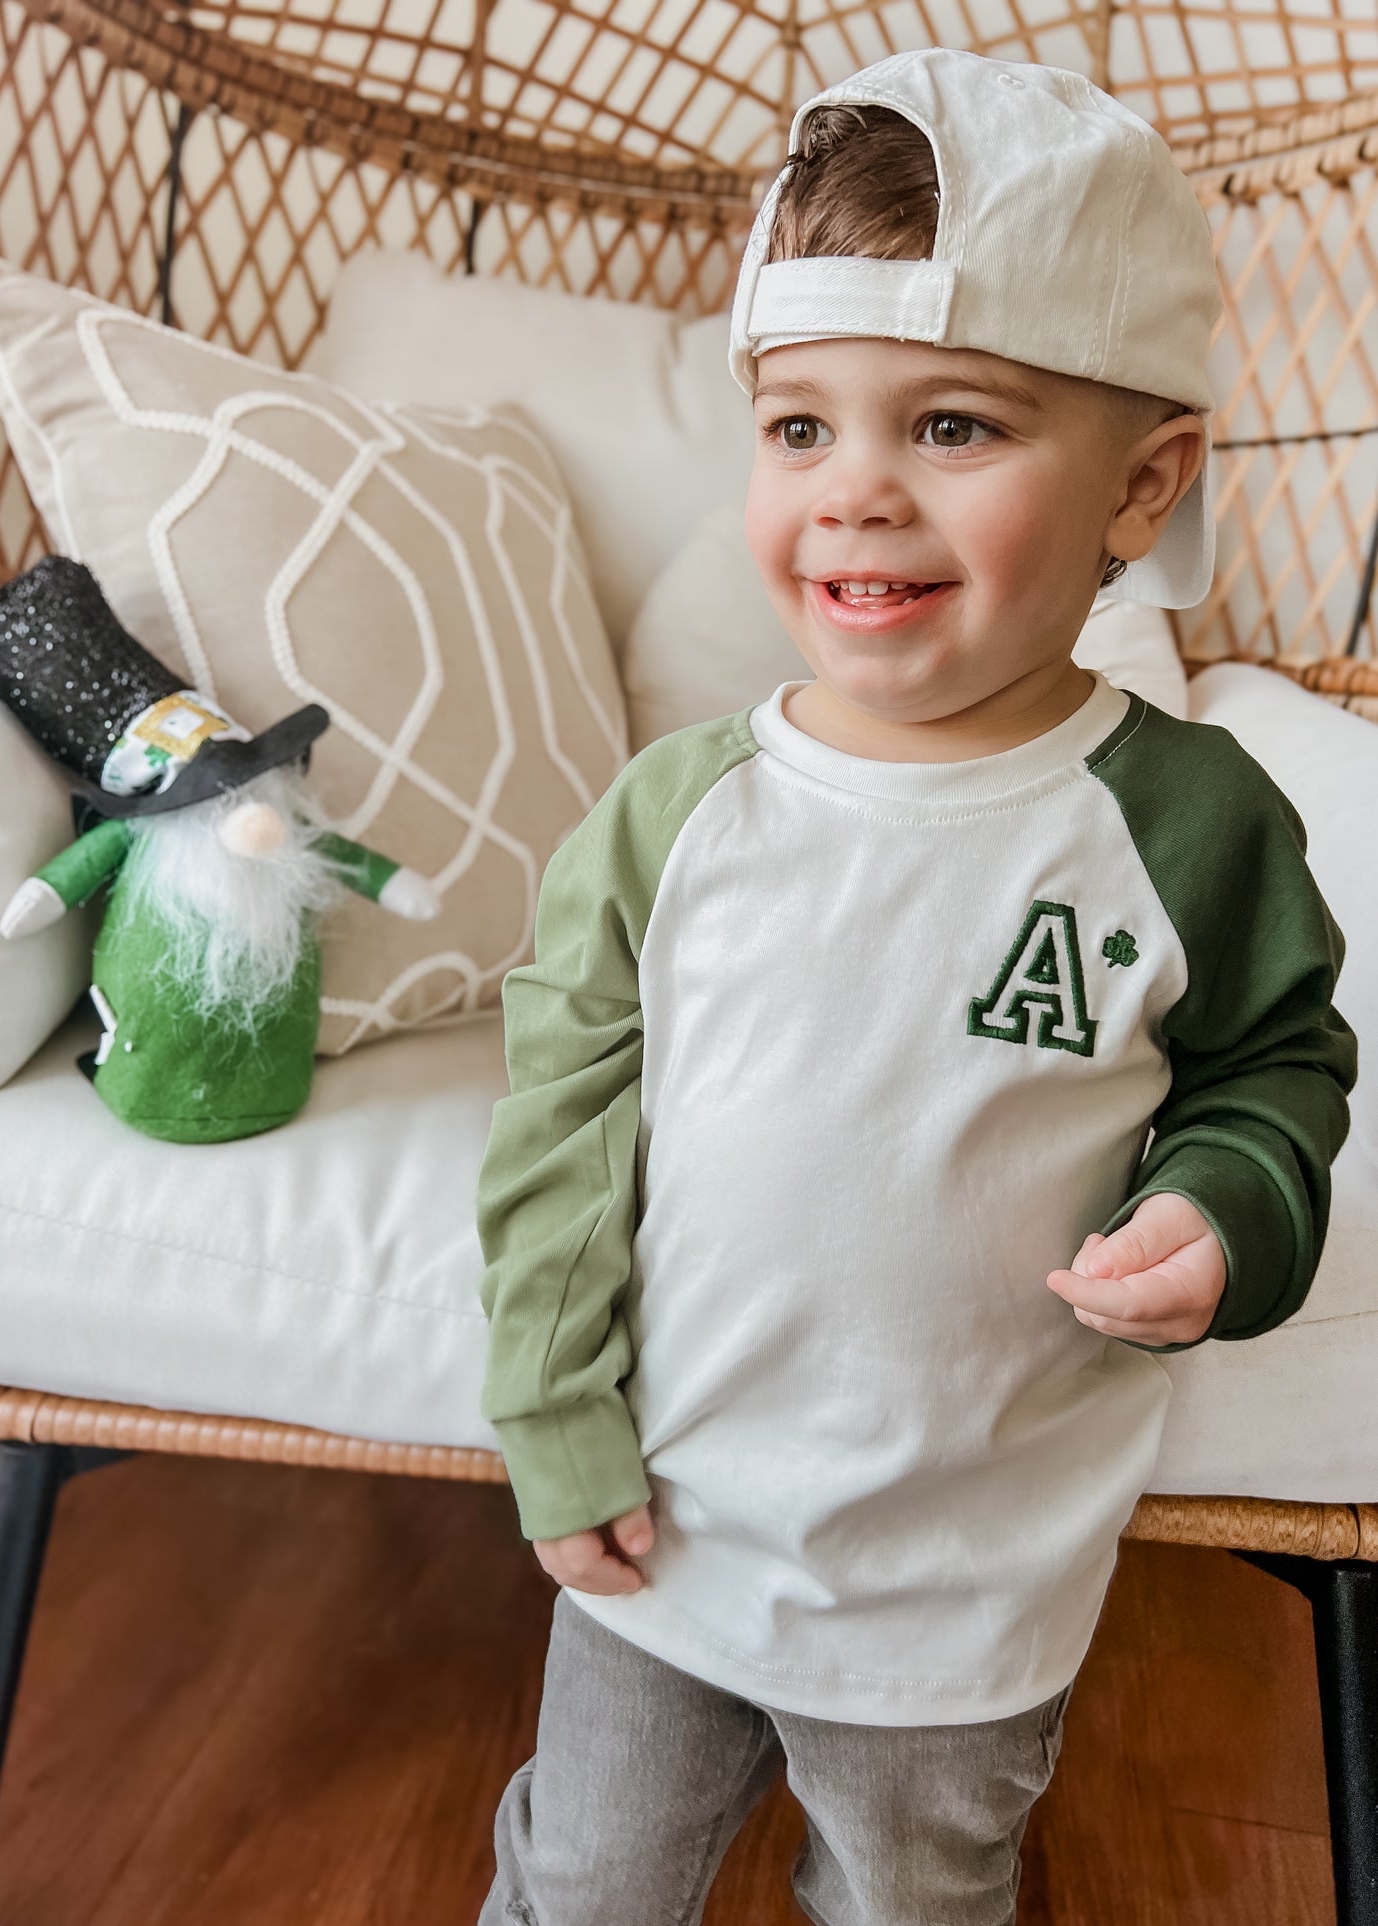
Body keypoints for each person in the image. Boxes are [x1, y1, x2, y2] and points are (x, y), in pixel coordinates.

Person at [473, 47, 1357, 1926]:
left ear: (1143, 482)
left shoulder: (1181, 819)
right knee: (587, 1884)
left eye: (949, 426)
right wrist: (552, 1411)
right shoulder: (675, 819)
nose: (854, 491)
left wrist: (1219, 1209)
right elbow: (559, 1126)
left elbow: (1271, 1067)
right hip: (671, 1530)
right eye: (798, 427)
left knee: (916, 1901)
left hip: (969, 1582)